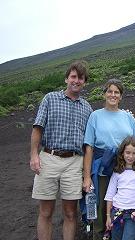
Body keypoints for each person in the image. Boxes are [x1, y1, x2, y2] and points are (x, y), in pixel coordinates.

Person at [30, 60, 93, 240]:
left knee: (70, 213)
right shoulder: (50, 98)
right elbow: (37, 128)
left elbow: (90, 141)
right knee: (46, 212)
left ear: (84, 82)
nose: (76, 81)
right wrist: (34, 155)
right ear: (66, 78)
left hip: (74, 162)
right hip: (48, 158)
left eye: (81, 78)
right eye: (73, 76)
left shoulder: (87, 108)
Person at [82, 78, 135, 238]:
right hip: (103, 168)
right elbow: (89, 147)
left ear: (121, 96)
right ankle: (99, 235)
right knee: (101, 207)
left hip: (126, 169)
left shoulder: (128, 117)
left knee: (124, 205)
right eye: (110, 91)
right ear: (104, 94)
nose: (113, 95)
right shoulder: (95, 116)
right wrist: (87, 177)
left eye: (117, 92)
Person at [104, 136, 135, 240]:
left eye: (134, 153)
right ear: (122, 153)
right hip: (116, 212)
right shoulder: (117, 171)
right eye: (128, 153)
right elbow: (110, 195)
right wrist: (108, 216)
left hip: (133, 214)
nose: (131, 156)